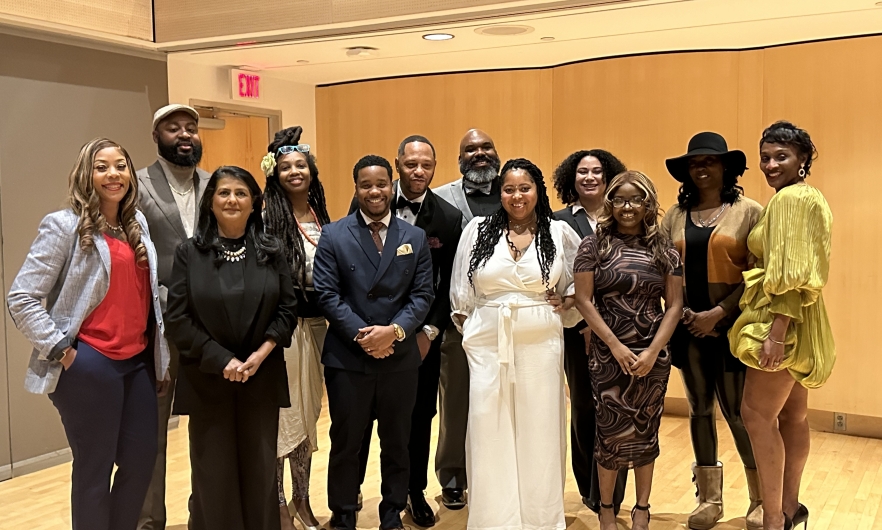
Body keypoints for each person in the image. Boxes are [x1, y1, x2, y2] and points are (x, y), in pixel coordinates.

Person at [7, 138, 170, 530]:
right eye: (102, 167)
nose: (113, 174)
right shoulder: (63, 225)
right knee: (94, 470)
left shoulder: (137, 224)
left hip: (138, 362)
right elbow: (22, 297)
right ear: (86, 174)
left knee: (141, 460)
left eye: (120, 166)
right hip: (90, 363)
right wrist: (64, 352)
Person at [450, 158, 582, 530]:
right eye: (509, 189)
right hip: (488, 344)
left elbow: (577, 288)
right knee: (488, 426)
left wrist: (566, 302)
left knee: (539, 427)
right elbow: (461, 295)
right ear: (500, 193)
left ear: (537, 190)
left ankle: (539, 519)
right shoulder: (478, 231)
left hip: (541, 344)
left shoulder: (557, 233)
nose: (517, 195)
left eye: (524, 188)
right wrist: (476, 334)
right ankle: (495, 519)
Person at [165, 166, 298, 530]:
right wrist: (223, 359)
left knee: (260, 470)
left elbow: (288, 309)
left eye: (241, 193)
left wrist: (259, 355)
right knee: (214, 474)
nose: (232, 200)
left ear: (255, 202)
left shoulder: (272, 251)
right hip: (208, 378)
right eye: (223, 192)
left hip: (261, 377)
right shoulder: (188, 253)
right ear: (210, 201)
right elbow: (178, 318)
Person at [314, 155, 434, 530]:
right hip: (349, 356)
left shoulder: (412, 237)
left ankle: (392, 511)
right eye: (366, 185)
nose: (374, 191)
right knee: (347, 441)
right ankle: (344, 512)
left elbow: (423, 294)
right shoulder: (334, 234)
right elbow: (327, 294)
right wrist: (365, 336)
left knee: (398, 440)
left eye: (381, 183)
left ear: (391, 185)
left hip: (399, 357)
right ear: (356, 189)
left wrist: (394, 332)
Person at [729, 121, 834, 530]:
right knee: (793, 417)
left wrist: (775, 334)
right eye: (766, 157)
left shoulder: (789, 200)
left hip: (782, 319)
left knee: (755, 415)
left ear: (802, 159)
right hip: (803, 318)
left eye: (781, 157)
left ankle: (773, 518)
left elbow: (791, 273)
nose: (770, 165)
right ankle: (791, 509)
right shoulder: (811, 197)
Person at [355, 136, 463, 527]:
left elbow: (448, 283)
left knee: (419, 417)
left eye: (427, 165)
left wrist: (429, 332)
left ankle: (413, 491)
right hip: (369, 334)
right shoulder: (368, 199)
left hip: (421, 338)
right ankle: (352, 494)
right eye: (411, 164)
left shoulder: (448, 218)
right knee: (362, 416)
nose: (419, 171)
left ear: (435, 167)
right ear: (397, 163)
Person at [661, 132, 764, 530]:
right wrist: (683, 314)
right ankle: (709, 499)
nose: (701, 168)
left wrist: (719, 312)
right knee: (699, 409)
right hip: (687, 327)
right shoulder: (674, 216)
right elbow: (664, 270)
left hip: (733, 328)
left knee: (738, 413)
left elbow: (758, 272)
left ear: (726, 167)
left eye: (709, 161)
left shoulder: (750, 211)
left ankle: (759, 498)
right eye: (694, 163)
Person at [573, 171, 683, 530]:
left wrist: (653, 351)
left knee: (646, 431)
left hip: (653, 355)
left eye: (636, 199)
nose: (627, 207)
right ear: (610, 203)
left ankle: (642, 509)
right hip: (608, 355)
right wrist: (616, 347)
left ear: (649, 203)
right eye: (619, 199)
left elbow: (675, 306)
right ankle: (607, 509)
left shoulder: (665, 248)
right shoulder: (593, 245)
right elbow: (585, 302)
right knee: (609, 435)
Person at [136, 103, 211, 530]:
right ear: (157, 136)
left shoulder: (216, 182)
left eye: (191, 128)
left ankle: (205, 513)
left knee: (208, 427)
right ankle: (148, 521)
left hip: (210, 328)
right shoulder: (138, 185)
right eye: (173, 128)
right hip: (158, 327)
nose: (184, 135)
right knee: (152, 431)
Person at [551, 149, 629, 515]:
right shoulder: (556, 220)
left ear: (608, 176)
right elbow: (561, 278)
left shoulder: (625, 216)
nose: (589, 177)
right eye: (582, 171)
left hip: (623, 328)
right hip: (575, 330)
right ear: (572, 177)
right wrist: (584, 323)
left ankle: (616, 491)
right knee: (583, 405)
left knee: (619, 408)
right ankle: (589, 487)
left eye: (597, 171)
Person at [261, 126, 332, 530]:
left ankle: (304, 498)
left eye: (300, 165)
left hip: (320, 326)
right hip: (285, 330)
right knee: (284, 417)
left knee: (308, 416)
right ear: (275, 173)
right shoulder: (268, 219)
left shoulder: (322, 214)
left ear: (312, 171)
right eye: (285, 166)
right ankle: (279, 503)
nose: (294, 172)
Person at [432, 129, 502, 509]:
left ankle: (496, 473)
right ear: (459, 157)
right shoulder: (442, 199)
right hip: (458, 320)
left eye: (485, 147)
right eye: (470, 149)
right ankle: (453, 476)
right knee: (456, 399)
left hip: (508, 319)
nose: (479, 154)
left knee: (503, 400)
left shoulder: (515, 191)